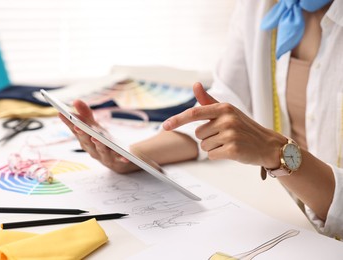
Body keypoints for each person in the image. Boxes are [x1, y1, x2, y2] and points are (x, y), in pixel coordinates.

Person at [60, 0, 343, 240]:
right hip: (288, 217)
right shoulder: (258, 7)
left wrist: (276, 152)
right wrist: (133, 155)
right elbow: (223, 105)